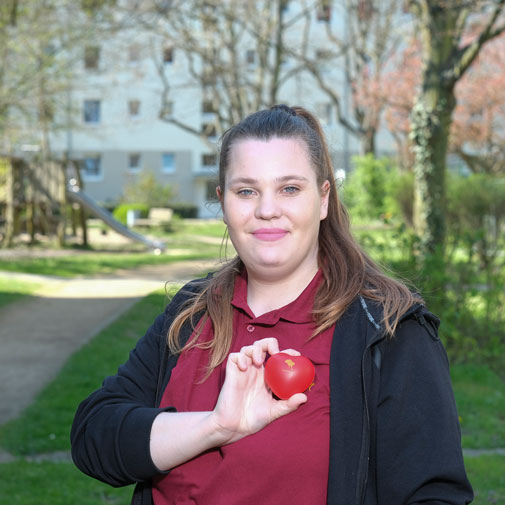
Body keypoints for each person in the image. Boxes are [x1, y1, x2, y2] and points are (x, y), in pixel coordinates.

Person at [71, 104, 473, 505]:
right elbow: (95, 438)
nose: (266, 210)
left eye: (290, 189)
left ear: (324, 199)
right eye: (246, 190)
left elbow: (435, 495)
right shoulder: (192, 312)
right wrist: (214, 426)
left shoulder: (388, 330)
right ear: (223, 203)